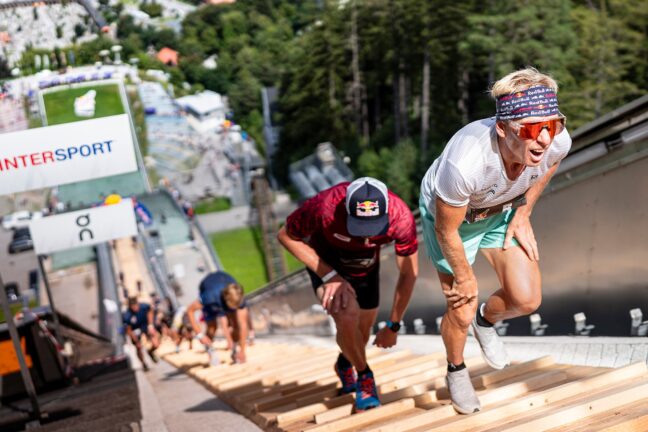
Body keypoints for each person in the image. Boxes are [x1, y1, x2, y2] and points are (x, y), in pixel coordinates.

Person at [419, 67, 572, 414]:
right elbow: (447, 230)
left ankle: (485, 321)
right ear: (503, 128)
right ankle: (456, 371)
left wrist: (524, 212)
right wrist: (466, 278)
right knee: (462, 304)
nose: (545, 139)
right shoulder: (467, 163)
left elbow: (552, 163)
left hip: (501, 211)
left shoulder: (555, 142)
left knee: (527, 299)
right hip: (455, 223)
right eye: (533, 128)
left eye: (553, 124)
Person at [278, 177, 418, 412]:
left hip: (366, 269)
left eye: (373, 229)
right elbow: (285, 235)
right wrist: (330, 275)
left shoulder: (401, 217)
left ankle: (345, 365)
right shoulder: (323, 207)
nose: (365, 237)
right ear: (346, 209)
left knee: (362, 333)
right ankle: (365, 376)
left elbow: (408, 274)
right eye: (359, 227)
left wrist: (394, 325)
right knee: (346, 316)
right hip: (327, 264)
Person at [186, 271, 250, 364]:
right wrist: (200, 335)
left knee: (236, 324)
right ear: (227, 301)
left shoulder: (238, 297)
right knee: (212, 327)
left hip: (222, 283)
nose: (236, 309)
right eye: (233, 307)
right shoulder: (209, 297)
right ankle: (210, 351)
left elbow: (243, 325)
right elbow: (190, 310)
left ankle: (235, 351)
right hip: (209, 288)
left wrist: (243, 351)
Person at [122, 297, 161, 371]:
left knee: (156, 343)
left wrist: (150, 325)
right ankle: (143, 363)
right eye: (133, 307)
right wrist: (136, 341)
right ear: (130, 307)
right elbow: (129, 330)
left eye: (136, 306)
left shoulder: (144, 306)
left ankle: (150, 352)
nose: (135, 308)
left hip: (145, 325)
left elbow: (150, 312)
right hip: (135, 330)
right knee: (138, 348)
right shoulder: (127, 315)